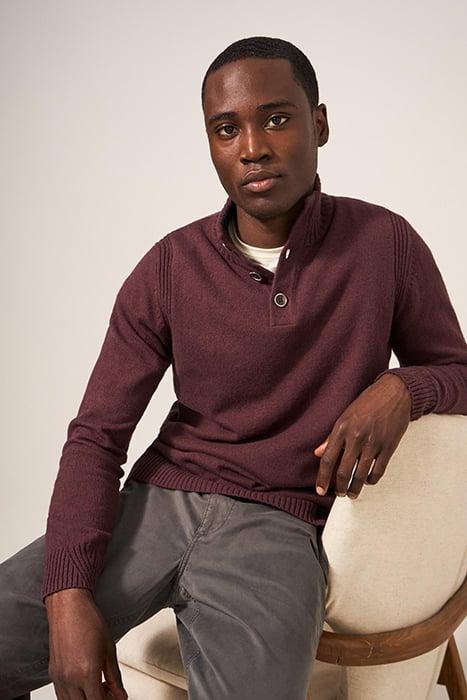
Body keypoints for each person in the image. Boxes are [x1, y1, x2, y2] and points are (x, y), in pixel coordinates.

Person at [1, 35, 466, 700]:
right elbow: (96, 438)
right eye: (227, 129)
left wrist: (401, 386)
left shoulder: (385, 244)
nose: (252, 147)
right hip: (155, 505)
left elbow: (457, 372)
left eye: (276, 119)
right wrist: (69, 594)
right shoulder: (169, 266)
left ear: (319, 124)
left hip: (281, 526)